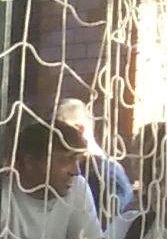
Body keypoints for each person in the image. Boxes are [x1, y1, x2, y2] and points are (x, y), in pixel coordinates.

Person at [0, 115, 102, 239]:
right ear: (30, 163)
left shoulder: (78, 188)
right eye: (65, 161)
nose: (76, 171)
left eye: (78, 161)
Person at [52, 96, 133, 228]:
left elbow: (109, 232)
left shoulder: (108, 175)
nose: (52, 141)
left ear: (79, 129)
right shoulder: (83, 168)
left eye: (58, 133)